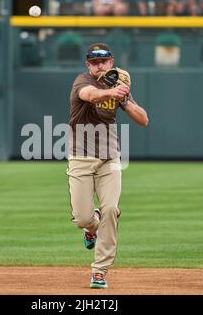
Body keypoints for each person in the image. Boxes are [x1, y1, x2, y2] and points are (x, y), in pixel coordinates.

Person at [67, 43, 149, 289]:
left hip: (110, 159)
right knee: (82, 218)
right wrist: (111, 94)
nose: (98, 65)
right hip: (80, 157)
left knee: (111, 209)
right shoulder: (82, 81)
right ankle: (92, 227)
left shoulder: (117, 86)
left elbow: (143, 120)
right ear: (87, 65)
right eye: (93, 62)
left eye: (103, 61)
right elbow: (90, 95)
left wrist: (125, 100)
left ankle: (100, 270)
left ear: (111, 62)